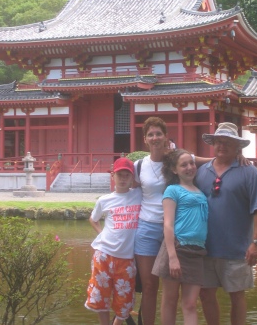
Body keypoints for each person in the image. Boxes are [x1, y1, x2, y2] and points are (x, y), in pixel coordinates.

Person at [134, 116, 211, 325]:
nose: (155, 137)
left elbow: (200, 161)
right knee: (150, 286)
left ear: (165, 137)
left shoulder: (175, 160)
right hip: (147, 227)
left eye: (159, 133)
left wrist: (231, 159)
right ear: (145, 139)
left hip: (175, 229)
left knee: (175, 291)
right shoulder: (139, 165)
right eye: (150, 134)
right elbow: (125, 189)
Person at [195, 122, 257, 325]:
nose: (222, 146)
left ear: (238, 147)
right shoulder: (202, 172)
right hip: (205, 248)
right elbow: (177, 159)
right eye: (218, 142)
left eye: (228, 142)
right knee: (205, 295)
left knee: (237, 296)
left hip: (237, 250)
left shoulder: (249, 172)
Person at [152, 149, 208, 325]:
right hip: (176, 248)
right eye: (184, 165)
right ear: (174, 170)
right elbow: (167, 224)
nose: (190, 167)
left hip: (197, 251)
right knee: (170, 301)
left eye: (191, 163)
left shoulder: (200, 190)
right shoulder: (172, 190)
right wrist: (172, 257)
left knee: (191, 304)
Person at [85, 157, 142, 325]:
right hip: (104, 255)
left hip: (126, 258)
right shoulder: (104, 200)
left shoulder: (138, 195)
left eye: (127, 175)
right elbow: (93, 219)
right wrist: (101, 233)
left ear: (132, 178)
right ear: (113, 177)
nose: (123, 179)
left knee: (124, 301)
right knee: (100, 297)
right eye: (119, 175)